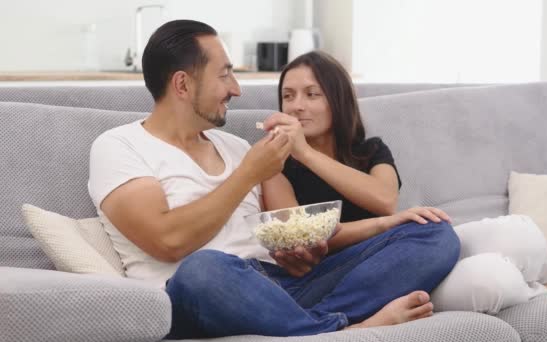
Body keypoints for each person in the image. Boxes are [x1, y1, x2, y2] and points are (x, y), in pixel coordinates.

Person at [87, 20, 460, 339]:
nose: (237, 89)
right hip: (206, 293)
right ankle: (343, 333)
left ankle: (315, 327)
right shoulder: (120, 146)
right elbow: (167, 242)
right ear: (182, 85)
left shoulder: (234, 146)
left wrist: (303, 252)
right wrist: (250, 171)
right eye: (225, 74)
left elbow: (296, 231)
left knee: (435, 234)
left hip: (280, 288)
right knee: (203, 268)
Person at [260, 50, 547, 315]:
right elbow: (300, 238)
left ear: (337, 100)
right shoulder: (275, 164)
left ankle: (544, 271)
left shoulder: (369, 150)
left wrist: (307, 153)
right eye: (288, 96)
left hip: (412, 244)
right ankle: (546, 286)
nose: (296, 107)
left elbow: (382, 199)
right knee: (490, 281)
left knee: (521, 234)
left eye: (311, 94)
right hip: (374, 274)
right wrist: (299, 155)